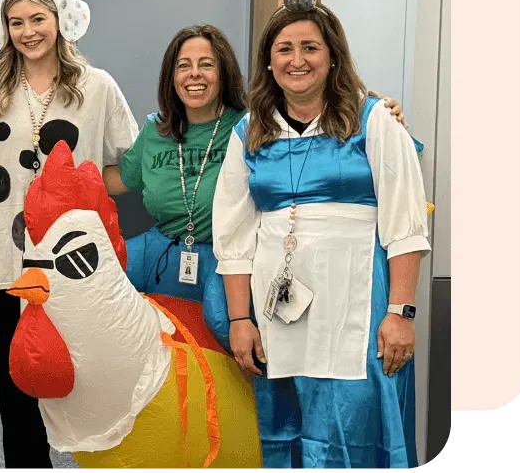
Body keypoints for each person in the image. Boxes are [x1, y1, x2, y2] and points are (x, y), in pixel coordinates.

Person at [212, 0, 430, 469]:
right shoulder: (250, 131)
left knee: (355, 422)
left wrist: (401, 313)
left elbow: (406, 228)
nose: (297, 60)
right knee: (282, 426)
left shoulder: (373, 119)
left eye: (310, 48)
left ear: (333, 57)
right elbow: (235, 237)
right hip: (276, 304)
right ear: (268, 62)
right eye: (284, 49)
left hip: (360, 304)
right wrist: (240, 320)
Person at [109, 23, 409, 350]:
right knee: (103, 281)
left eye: (206, 65)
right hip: (166, 246)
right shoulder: (156, 129)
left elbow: (313, 129)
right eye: (184, 66)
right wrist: (56, 167)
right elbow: (117, 180)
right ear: (171, 76)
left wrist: (381, 115)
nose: (194, 74)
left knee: (221, 314)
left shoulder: (253, 125)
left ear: (224, 73)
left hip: (229, 253)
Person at [0, 0, 139, 470]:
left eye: (37, 20)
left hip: (70, 261)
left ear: (61, 21)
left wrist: (86, 191)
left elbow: (127, 165)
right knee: (16, 385)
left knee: (83, 381)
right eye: (15, 22)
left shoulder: (96, 86)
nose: (27, 32)